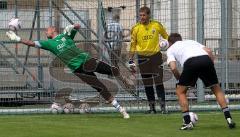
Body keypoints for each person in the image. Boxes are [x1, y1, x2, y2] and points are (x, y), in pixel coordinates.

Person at [6, 24, 130, 119]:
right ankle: (121, 109)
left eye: (47, 29)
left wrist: (71, 26)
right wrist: (17, 38)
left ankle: (124, 79)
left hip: (87, 61)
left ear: (53, 29)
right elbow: (31, 43)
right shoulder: (49, 43)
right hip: (78, 69)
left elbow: (78, 26)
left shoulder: (66, 35)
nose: (45, 31)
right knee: (100, 87)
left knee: (112, 70)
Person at [166, 33, 236, 130]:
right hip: (205, 60)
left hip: (190, 63)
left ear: (170, 43)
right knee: (216, 89)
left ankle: (187, 122)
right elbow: (209, 51)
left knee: (180, 91)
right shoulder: (191, 41)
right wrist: (210, 65)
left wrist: (179, 79)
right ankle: (229, 118)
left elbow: (173, 68)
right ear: (181, 39)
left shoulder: (170, 49)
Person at [129, 6, 169, 114]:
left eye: (144, 15)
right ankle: (152, 108)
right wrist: (130, 61)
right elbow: (132, 46)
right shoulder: (136, 28)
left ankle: (163, 108)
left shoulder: (156, 25)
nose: (142, 17)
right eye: (140, 15)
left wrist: (167, 45)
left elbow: (166, 37)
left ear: (148, 15)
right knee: (147, 83)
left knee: (159, 82)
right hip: (142, 58)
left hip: (156, 57)